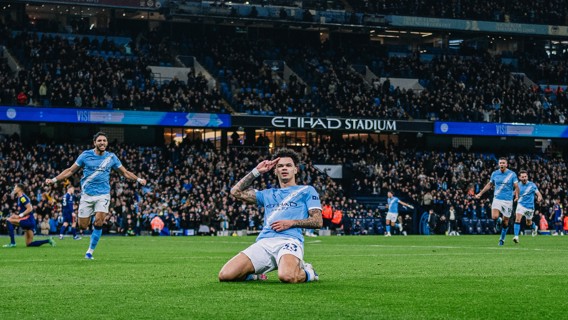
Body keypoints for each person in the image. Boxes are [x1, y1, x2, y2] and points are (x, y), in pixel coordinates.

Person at [218, 148, 322, 283]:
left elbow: (318, 221)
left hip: (289, 241)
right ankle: (254, 274)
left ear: (295, 170)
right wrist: (256, 171)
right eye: (280, 166)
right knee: (225, 275)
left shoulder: (306, 190)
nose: (284, 168)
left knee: (287, 276)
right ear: (275, 170)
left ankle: (309, 272)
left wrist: (291, 223)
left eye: (288, 165)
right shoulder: (267, 194)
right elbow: (235, 191)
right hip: (264, 242)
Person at [45, 132, 147, 259]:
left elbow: (125, 172)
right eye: (99, 140)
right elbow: (70, 171)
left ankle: (90, 252)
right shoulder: (85, 155)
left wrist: (138, 179)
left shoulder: (111, 157)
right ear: (94, 143)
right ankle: (91, 219)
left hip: (103, 195)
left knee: (99, 222)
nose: (102, 142)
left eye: (104, 140)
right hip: (86, 195)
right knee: (82, 225)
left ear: (107, 143)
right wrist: (54, 180)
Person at [475, 157, 519, 246]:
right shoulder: (495, 174)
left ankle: (502, 239)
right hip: (497, 198)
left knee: (505, 222)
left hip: (508, 200)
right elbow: (490, 184)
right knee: (494, 216)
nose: (502, 164)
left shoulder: (512, 174)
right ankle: (498, 220)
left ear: (506, 164)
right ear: (498, 164)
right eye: (500, 163)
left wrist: (517, 196)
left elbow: (516, 186)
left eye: (503, 163)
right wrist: (480, 193)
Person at [3, 184, 56, 248]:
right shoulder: (20, 197)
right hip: (30, 220)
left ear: (19, 189)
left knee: (8, 220)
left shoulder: (22, 198)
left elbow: (30, 208)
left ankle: (12, 243)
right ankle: (48, 240)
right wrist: (16, 215)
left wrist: (20, 215)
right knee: (29, 244)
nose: (14, 189)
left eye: (15, 187)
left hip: (28, 220)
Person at [513, 170, 542, 243]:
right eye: (522, 177)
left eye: (525, 176)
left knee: (528, 223)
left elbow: (538, 194)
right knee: (517, 219)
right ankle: (516, 236)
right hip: (521, 205)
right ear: (519, 178)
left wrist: (539, 197)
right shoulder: (517, 185)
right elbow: (514, 193)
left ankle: (534, 227)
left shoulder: (532, 185)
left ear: (527, 177)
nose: (524, 178)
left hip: (530, 207)